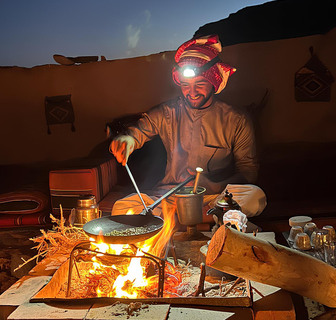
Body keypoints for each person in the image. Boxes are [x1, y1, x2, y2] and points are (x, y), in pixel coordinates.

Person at [109, 35, 266, 218]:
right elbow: (138, 132)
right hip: (170, 197)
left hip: (215, 198)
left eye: (199, 84)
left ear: (214, 82)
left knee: (255, 197)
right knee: (122, 207)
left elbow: (248, 171)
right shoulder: (167, 112)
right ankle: (199, 220)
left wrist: (213, 186)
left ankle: (182, 221)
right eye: (185, 85)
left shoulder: (236, 119)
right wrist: (128, 139)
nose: (191, 92)